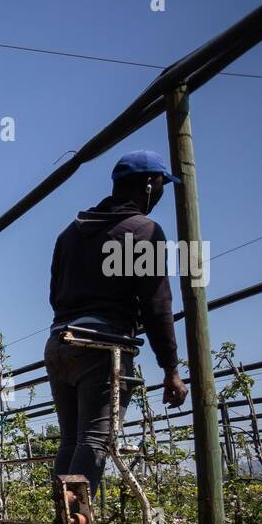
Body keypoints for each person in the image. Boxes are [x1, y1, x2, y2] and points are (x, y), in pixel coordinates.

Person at [45, 149, 189, 492]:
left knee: (71, 442)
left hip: (59, 343)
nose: (163, 191)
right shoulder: (144, 230)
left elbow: (54, 293)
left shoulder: (69, 234)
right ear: (149, 184)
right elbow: (157, 303)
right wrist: (170, 368)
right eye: (162, 183)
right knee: (95, 441)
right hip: (101, 345)